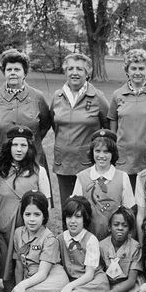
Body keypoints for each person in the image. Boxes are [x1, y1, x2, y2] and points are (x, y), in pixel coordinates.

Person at [6, 192, 81, 292]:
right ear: (22, 215)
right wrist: (19, 287)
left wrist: (22, 288)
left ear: (44, 215)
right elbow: (19, 267)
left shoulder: (49, 238)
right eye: (27, 214)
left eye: (37, 214)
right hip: (32, 281)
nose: (32, 219)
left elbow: (42, 273)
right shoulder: (18, 233)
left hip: (51, 279)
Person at [54, 197, 130, 292]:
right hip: (76, 285)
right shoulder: (60, 239)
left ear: (85, 219)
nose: (72, 221)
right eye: (69, 216)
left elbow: (89, 275)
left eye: (78, 217)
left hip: (94, 282)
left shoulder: (91, 240)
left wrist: (69, 287)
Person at [0, 49, 51, 195]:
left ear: (25, 72)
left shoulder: (37, 97)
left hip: (32, 157)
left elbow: (45, 125)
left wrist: (31, 142)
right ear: (4, 72)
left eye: (17, 69)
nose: (13, 73)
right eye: (9, 69)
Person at [0, 126, 50, 282]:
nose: (19, 149)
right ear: (9, 147)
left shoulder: (39, 171)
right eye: (15, 145)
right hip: (4, 228)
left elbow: (46, 206)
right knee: (5, 266)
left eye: (23, 145)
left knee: (27, 265)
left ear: (29, 148)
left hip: (29, 229)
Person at [50, 53, 110, 205]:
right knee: (67, 207)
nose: (74, 73)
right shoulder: (57, 96)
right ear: (65, 71)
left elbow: (108, 129)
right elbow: (53, 124)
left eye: (79, 69)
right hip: (63, 162)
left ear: (87, 72)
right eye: (70, 68)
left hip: (87, 163)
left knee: (87, 206)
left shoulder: (98, 97)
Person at [108, 48, 146, 189]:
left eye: (141, 68)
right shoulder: (118, 95)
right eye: (133, 68)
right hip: (124, 158)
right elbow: (113, 124)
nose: (137, 72)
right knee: (127, 201)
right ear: (127, 71)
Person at [86, 207, 146, 292]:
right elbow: (99, 274)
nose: (120, 228)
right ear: (109, 227)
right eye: (116, 224)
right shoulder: (101, 245)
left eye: (124, 225)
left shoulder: (135, 247)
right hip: (109, 285)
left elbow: (131, 280)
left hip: (128, 288)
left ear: (130, 230)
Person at [71, 129, 135, 240]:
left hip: (114, 240)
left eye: (106, 152)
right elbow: (75, 210)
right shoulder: (82, 177)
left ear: (113, 153)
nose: (101, 155)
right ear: (92, 152)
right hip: (87, 238)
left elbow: (129, 211)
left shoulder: (122, 177)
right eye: (98, 151)